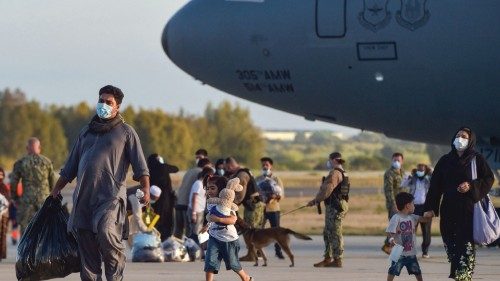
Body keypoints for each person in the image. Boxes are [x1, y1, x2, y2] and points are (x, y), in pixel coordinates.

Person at [50, 85, 151, 281]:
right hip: (83, 200)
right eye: (101, 101)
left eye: (108, 102)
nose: (103, 105)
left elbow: (141, 167)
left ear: (117, 107)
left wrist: (145, 188)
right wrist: (55, 190)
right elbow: (69, 167)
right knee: (86, 251)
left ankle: (115, 275)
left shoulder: (126, 133)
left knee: (106, 232)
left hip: (110, 199)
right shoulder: (86, 132)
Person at [423, 127, 493, 281]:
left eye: (464, 136)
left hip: (468, 210)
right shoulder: (445, 161)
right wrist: (430, 208)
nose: (460, 138)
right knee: (451, 244)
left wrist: (471, 185)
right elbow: (435, 186)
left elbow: (488, 179)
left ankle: (464, 276)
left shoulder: (477, 159)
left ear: (470, 141)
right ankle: (458, 275)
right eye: (458, 135)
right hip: (448, 209)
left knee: (465, 245)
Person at [204, 176, 253, 281]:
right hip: (214, 237)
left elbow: (233, 220)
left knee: (232, 262)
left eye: (212, 188)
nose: (209, 191)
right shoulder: (210, 202)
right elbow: (210, 217)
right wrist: (207, 226)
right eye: (207, 188)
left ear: (221, 189)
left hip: (229, 238)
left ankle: (246, 278)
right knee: (210, 260)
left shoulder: (227, 204)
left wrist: (218, 219)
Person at [307, 152, 349, 268]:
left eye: (329, 160)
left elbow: (327, 189)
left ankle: (337, 259)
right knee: (328, 232)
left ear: (334, 160)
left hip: (335, 207)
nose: (328, 162)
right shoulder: (343, 172)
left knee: (335, 232)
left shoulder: (335, 173)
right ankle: (328, 258)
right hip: (338, 205)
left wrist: (315, 200)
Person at [10, 137, 55, 235]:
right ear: (39, 148)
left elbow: (13, 182)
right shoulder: (47, 162)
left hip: (26, 203)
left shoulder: (21, 163)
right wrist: (52, 199)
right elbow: (53, 185)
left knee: (26, 234)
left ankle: (26, 250)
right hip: (44, 202)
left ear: (27, 148)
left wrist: (15, 199)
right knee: (44, 233)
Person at [224, 156, 264, 261]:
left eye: (227, 168)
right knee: (251, 230)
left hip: (253, 206)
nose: (226, 171)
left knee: (250, 231)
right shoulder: (244, 171)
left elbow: (240, 195)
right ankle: (253, 254)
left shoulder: (241, 175)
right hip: (253, 205)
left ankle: (252, 255)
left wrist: (230, 204)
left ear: (230, 166)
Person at [386, 192, 430, 281]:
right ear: (407, 206)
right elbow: (389, 231)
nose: (414, 206)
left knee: (417, 271)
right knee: (393, 270)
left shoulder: (413, 217)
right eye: (413, 204)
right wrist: (391, 240)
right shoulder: (396, 218)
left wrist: (431, 214)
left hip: (411, 252)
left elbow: (425, 219)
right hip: (398, 252)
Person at [174, 149, 208, 239]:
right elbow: (197, 193)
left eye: (199, 157)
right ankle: (189, 252)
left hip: (179, 204)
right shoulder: (201, 173)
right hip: (188, 206)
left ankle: (175, 250)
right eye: (196, 157)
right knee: (190, 233)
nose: (197, 159)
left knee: (178, 232)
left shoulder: (190, 171)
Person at [255, 156, 285, 259]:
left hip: (273, 209)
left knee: (276, 231)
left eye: (266, 165)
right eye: (263, 165)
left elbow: (281, 194)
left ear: (271, 166)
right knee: (259, 230)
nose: (264, 166)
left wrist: (275, 196)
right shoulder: (258, 179)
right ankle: (259, 252)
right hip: (261, 209)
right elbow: (254, 193)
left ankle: (278, 251)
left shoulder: (276, 179)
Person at [402, 163, 433, 258]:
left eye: (422, 170)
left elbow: (437, 184)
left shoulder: (429, 179)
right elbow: (403, 185)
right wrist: (407, 178)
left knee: (426, 230)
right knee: (411, 229)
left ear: (425, 170)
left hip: (426, 207)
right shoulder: (413, 178)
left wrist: (432, 173)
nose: (420, 172)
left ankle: (425, 251)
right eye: (418, 170)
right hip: (414, 208)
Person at [147, 153, 179, 240]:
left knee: (155, 220)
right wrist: (162, 163)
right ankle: (165, 240)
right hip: (166, 200)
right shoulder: (163, 167)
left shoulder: (149, 170)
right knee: (166, 221)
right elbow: (176, 169)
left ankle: (155, 238)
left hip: (154, 200)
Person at [382, 152, 406, 254]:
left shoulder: (403, 172)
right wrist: (393, 204)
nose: (396, 162)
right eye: (395, 160)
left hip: (402, 204)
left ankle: (388, 245)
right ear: (392, 161)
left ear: (402, 161)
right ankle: (391, 245)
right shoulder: (389, 173)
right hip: (394, 204)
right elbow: (389, 191)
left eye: (398, 160)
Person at [188, 166, 214, 244]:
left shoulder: (202, 184)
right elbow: (194, 198)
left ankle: (199, 251)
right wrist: (193, 213)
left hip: (200, 210)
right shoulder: (198, 183)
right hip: (196, 211)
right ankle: (195, 251)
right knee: (196, 233)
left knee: (199, 232)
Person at [0, 167, 9, 262]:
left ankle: (1, 254)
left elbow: (8, 200)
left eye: (1, 174)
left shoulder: (4, 187)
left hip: (3, 215)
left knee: (3, 234)